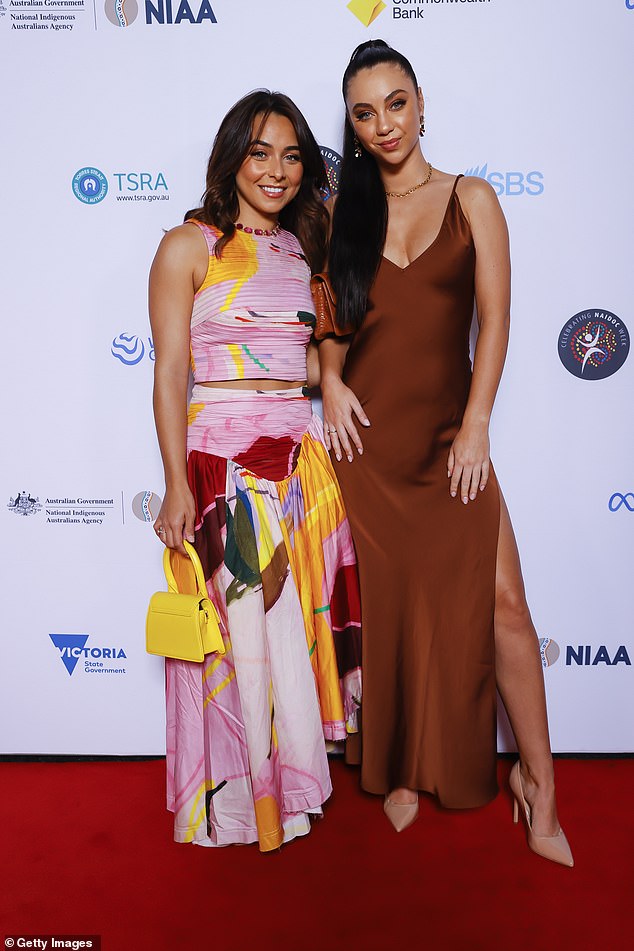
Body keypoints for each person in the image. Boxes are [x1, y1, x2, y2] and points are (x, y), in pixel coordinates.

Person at [319, 40, 573, 866]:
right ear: (353, 129)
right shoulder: (343, 217)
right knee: (390, 612)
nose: (384, 123)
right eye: (366, 112)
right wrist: (328, 381)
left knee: (504, 610)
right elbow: (331, 325)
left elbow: (494, 319)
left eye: (397, 102)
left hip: (450, 440)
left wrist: (477, 423)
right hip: (370, 448)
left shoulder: (474, 199)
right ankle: (398, 771)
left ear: (421, 105)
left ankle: (540, 785)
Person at [148, 90, 362, 852]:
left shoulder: (307, 247)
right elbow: (172, 369)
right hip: (224, 468)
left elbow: (300, 354)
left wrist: (330, 377)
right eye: (261, 151)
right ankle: (237, 807)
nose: (277, 170)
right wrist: (176, 481)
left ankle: (290, 799)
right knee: (238, 642)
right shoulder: (190, 246)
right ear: (232, 154)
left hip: (299, 462)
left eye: (293, 154)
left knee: (289, 639)